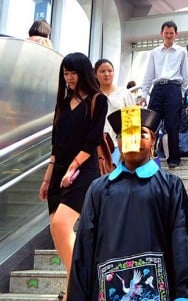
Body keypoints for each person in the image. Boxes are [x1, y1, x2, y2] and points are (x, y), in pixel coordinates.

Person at [67, 106, 188, 300]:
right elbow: (84, 248)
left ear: (153, 139)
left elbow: (182, 243)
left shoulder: (170, 186)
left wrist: (185, 295)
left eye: (142, 134)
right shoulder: (98, 189)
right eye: (127, 134)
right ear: (118, 141)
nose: (135, 140)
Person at [38, 52, 108, 301]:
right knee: (57, 231)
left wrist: (72, 169)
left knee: (61, 224)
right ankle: (77, 285)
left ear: (83, 73)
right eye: (65, 74)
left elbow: (92, 141)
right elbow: (56, 146)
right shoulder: (63, 103)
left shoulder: (97, 101)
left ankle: (76, 289)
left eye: (73, 73)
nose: (68, 78)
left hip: (83, 171)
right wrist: (48, 178)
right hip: (59, 173)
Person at [140, 20, 188, 168]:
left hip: (174, 88)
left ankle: (173, 158)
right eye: (166, 33)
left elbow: (185, 75)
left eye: (171, 33)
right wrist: (143, 94)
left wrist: (181, 94)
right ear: (161, 33)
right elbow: (149, 74)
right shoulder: (154, 52)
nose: (168, 35)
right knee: (150, 124)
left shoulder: (181, 51)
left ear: (176, 34)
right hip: (157, 89)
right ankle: (146, 156)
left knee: (172, 124)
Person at [94, 58, 135, 164]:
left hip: (120, 144)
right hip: (98, 146)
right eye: (102, 71)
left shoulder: (124, 94)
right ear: (95, 74)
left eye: (110, 71)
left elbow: (133, 121)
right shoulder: (93, 96)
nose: (106, 74)